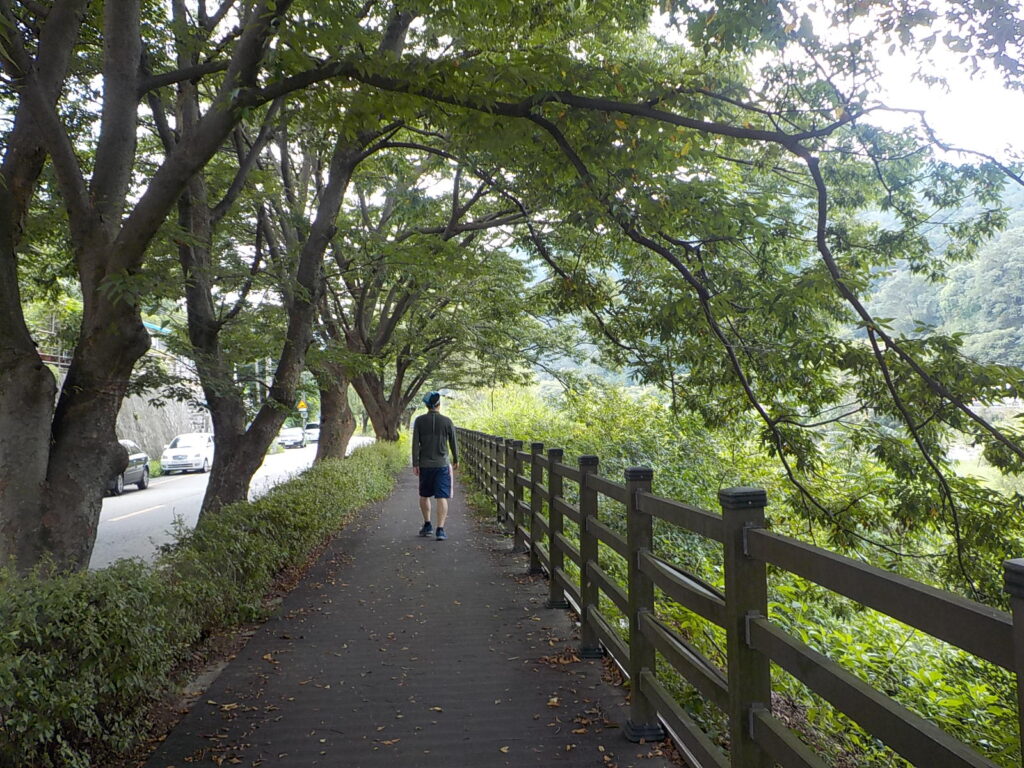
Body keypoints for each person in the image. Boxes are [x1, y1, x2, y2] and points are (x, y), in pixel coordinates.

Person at [411, 390, 459, 540]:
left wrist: (415, 463)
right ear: (438, 404)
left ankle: (427, 525)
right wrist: (456, 459)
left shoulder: (419, 421)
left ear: (427, 405)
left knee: (424, 495)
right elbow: (453, 443)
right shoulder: (447, 421)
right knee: (441, 497)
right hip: (442, 465)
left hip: (425, 465)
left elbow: (415, 444)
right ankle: (440, 529)